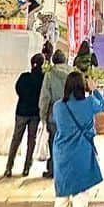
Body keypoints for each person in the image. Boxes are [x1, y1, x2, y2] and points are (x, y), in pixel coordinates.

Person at [50, 70, 104, 207]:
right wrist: (95, 90)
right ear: (82, 87)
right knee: (80, 200)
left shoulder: (58, 107)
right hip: (81, 154)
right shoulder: (89, 103)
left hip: (61, 155)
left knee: (61, 199)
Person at [5, 52, 44, 177]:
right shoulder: (43, 78)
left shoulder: (24, 77)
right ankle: (27, 167)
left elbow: (18, 89)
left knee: (16, 139)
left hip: (22, 111)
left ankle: (9, 167)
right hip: (35, 113)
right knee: (31, 140)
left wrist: (25, 98)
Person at [38, 49, 70, 179]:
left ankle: (53, 169)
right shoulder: (72, 73)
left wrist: (43, 114)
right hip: (70, 113)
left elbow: (45, 97)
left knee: (54, 142)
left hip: (54, 114)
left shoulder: (50, 75)